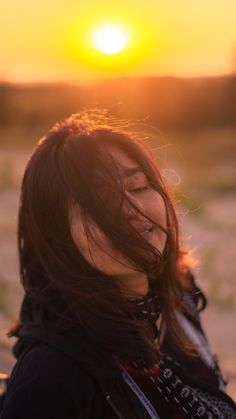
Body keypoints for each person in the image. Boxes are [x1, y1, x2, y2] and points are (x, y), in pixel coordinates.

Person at [1, 109, 235, 419]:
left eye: (139, 187)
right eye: (100, 203)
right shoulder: (52, 376)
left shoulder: (178, 294)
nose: (132, 209)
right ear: (56, 235)